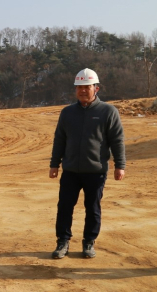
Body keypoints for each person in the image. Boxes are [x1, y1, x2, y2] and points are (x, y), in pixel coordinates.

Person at [49, 68, 126, 259]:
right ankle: (63, 242)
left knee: (93, 208)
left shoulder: (108, 112)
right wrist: (54, 164)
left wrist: (120, 165)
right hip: (70, 171)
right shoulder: (67, 113)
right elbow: (59, 139)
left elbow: (117, 140)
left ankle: (89, 242)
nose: (83, 91)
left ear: (96, 88)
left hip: (96, 171)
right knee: (65, 207)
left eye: (87, 87)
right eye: (79, 87)